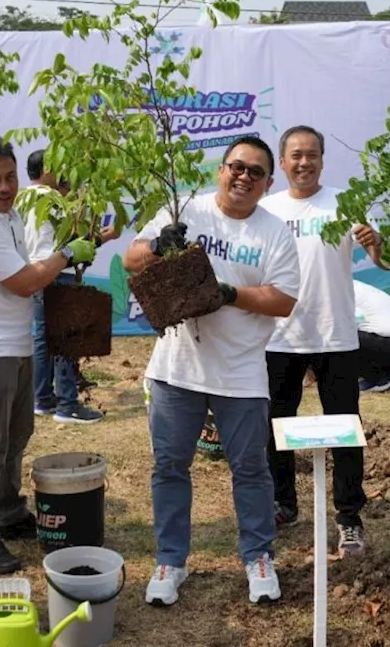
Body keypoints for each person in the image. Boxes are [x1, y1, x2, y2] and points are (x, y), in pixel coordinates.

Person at [124, 136, 300, 608]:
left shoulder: (274, 234)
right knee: (170, 466)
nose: (244, 177)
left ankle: (258, 557)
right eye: (236, 167)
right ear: (221, 170)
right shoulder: (187, 212)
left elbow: (283, 299)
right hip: (176, 367)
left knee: (250, 469)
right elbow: (131, 258)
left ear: (267, 182)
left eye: (256, 172)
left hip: (240, 373)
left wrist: (230, 294)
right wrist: (160, 245)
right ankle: (170, 559)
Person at [0, 137, 95, 575]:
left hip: (16, 343)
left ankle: (8, 510)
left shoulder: (14, 216)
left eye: (10, 177)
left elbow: (36, 267)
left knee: (15, 437)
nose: (4, 187)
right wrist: (66, 254)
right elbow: (23, 282)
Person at [261, 125, 386, 555]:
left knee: (346, 430)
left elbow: (382, 257)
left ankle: (349, 518)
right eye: (296, 155)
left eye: (312, 154)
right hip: (280, 335)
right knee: (276, 425)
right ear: (282, 162)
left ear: (322, 160)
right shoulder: (266, 209)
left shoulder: (344, 203)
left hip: (335, 335)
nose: (304, 162)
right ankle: (282, 503)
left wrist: (375, 244)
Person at [20, 149, 106, 424]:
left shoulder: (20, 198)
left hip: (34, 271)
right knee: (66, 339)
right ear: (47, 169)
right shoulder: (54, 199)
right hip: (57, 269)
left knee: (43, 337)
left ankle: (42, 399)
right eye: (58, 167)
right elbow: (76, 236)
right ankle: (67, 405)